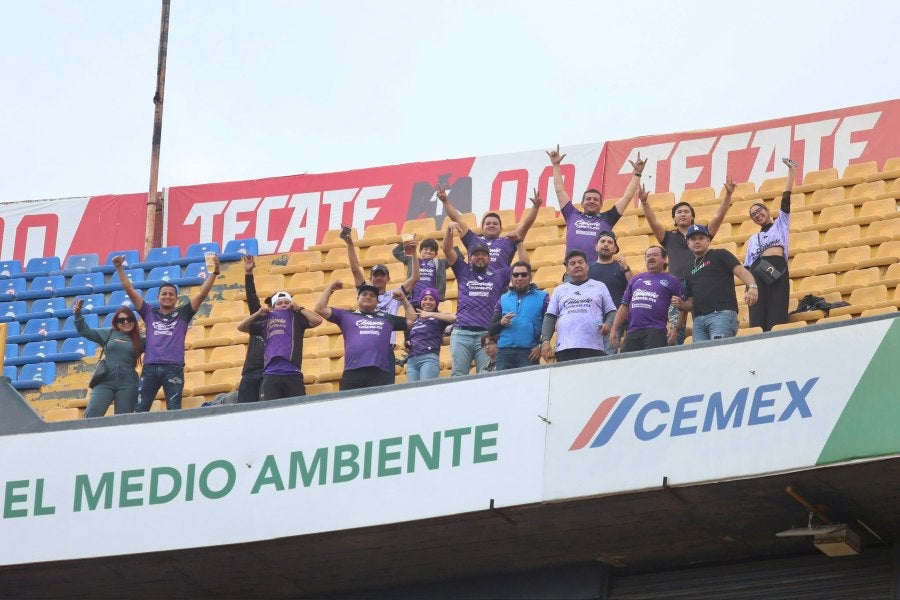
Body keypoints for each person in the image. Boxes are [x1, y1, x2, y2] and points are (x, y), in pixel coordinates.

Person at [114, 253, 219, 412]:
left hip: (173, 368)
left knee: (174, 409)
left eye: (171, 294)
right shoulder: (149, 312)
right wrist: (119, 267)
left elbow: (202, 294)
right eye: (164, 294)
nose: (167, 296)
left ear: (176, 299)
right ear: (158, 297)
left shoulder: (183, 313)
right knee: (141, 408)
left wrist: (214, 273)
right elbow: (129, 289)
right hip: (150, 367)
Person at [640, 176, 734, 344]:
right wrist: (645, 202)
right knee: (676, 327)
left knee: (702, 319)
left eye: (686, 211)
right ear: (674, 219)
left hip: (700, 283)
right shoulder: (667, 237)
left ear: (692, 217)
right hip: (677, 285)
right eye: (678, 212)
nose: (682, 214)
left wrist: (728, 195)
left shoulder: (702, 234)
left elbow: (719, 216)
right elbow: (652, 222)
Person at [547, 145, 645, 263]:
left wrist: (637, 173)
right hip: (573, 270)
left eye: (595, 199)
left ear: (601, 205)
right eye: (588, 199)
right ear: (582, 203)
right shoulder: (571, 214)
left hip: (597, 270)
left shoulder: (608, 218)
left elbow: (627, 197)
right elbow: (559, 190)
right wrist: (556, 165)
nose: (592, 201)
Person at [344, 230, 418, 382]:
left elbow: (415, 277)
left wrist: (414, 254)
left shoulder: (395, 295)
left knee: (386, 390)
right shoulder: (364, 293)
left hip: (386, 348)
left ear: (388, 278)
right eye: (375, 275)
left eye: (382, 275)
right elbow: (354, 269)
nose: (378, 278)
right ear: (370, 278)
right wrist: (350, 245)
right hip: (365, 348)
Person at [315, 282, 416, 391]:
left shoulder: (387, 318)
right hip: (352, 370)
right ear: (358, 298)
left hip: (379, 372)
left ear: (378, 301)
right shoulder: (346, 315)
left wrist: (404, 300)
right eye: (364, 294)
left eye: (372, 295)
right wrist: (330, 287)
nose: (368, 297)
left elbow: (412, 321)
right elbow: (320, 309)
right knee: (349, 407)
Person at [443, 223, 512, 375]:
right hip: (461, 333)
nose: (480, 257)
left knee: (487, 376)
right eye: (476, 254)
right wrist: (449, 231)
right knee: (458, 376)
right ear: (470, 257)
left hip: (485, 335)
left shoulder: (498, 275)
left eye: (483, 254)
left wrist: (518, 243)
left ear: (489, 258)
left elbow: (524, 267)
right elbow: (447, 250)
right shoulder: (463, 270)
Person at [672, 225, 758, 342]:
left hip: (721, 314)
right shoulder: (689, 270)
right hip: (698, 320)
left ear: (708, 240)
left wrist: (752, 287)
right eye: (693, 239)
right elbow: (691, 303)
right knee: (703, 358)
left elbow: (741, 271)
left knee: (719, 354)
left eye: (701, 238)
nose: (697, 241)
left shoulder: (720, 254)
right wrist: (681, 304)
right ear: (688, 243)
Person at [237, 290, 323, 401]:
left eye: (286, 302)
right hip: (270, 374)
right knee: (271, 412)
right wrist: (257, 314)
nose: (283, 305)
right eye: (279, 303)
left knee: (298, 411)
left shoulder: (296, 317)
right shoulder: (266, 319)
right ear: (273, 307)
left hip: (293, 373)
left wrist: (299, 309)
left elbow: (317, 320)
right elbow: (241, 327)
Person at [742, 158, 796, 331]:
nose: (757, 215)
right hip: (759, 270)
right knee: (758, 311)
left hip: (778, 267)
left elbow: (786, 199)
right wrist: (747, 288)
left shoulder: (781, 224)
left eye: (759, 211)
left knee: (777, 307)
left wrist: (791, 172)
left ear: (767, 211)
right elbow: (748, 266)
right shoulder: (753, 239)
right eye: (753, 215)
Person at [540, 250, 617, 362]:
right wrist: (546, 341)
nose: (577, 265)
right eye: (572, 263)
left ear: (587, 266)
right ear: (567, 270)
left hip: (593, 346)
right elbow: (550, 316)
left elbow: (611, 311)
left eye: (580, 262)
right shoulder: (559, 290)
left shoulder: (599, 286)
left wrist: (608, 324)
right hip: (565, 348)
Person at [437, 184, 536, 267]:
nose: (491, 225)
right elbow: (457, 218)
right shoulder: (472, 239)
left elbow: (525, 225)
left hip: (499, 287)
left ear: (501, 229)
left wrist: (535, 207)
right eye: (488, 223)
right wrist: (445, 201)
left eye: (495, 224)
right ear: (482, 228)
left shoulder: (508, 241)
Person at [73, 299, 144, 417]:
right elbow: (85, 331)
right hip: (106, 378)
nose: (126, 322)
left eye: (129, 319)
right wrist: (77, 314)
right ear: (116, 323)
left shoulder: (140, 339)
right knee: (92, 414)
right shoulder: (108, 333)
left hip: (128, 381)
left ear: (134, 321)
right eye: (121, 320)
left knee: (123, 420)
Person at [610, 246, 682, 352]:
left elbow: (683, 307)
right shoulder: (635, 279)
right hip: (632, 331)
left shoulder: (672, 280)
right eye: (648, 256)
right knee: (627, 365)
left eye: (655, 255)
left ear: (664, 259)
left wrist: (675, 328)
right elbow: (624, 306)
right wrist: (614, 329)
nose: (651, 258)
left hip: (656, 331)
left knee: (652, 366)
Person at [488, 261, 548, 370]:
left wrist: (540, 345)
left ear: (531, 276)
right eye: (515, 275)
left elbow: (549, 324)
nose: (519, 278)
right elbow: (491, 329)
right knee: (504, 387)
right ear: (511, 278)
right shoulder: (503, 298)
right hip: (504, 352)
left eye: (524, 274)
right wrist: (501, 322)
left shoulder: (543, 297)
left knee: (528, 387)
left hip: (529, 352)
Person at [588, 231, 633, 353]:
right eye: (602, 242)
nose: (606, 245)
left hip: (614, 320)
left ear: (615, 249)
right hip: (591, 320)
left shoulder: (621, 268)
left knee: (608, 356)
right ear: (596, 246)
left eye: (610, 242)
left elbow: (633, 288)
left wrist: (626, 268)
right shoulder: (587, 269)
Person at [404, 287, 456, 381]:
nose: (427, 302)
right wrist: (408, 344)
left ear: (436, 302)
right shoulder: (416, 319)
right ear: (420, 301)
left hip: (428, 358)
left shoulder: (439, 317)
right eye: (424, 299)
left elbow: (453, 318)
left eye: (431, 299)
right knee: (413, 394)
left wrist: (430, 314)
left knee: (425, 391)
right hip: (411, 361)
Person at [236, 254, 266, 403]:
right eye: (274, 304)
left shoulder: (288, 325)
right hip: (249, 373)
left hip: (269, 373)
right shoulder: (261, 321)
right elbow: (253, 300)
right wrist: (248, 274)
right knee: (243, 412)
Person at [392, 236, 453, 303]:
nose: (428, 251)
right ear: (420, 251)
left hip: (430, 302)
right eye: (426, 249)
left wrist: (445, 246)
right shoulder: (412, 260)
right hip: (413, 301)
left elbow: (458, 257)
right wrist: (408, 242)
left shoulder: (440, 263)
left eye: (432, 250)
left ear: (436, 254)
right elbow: (396, 252)